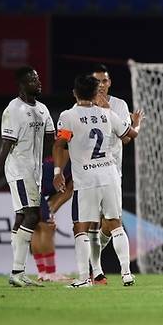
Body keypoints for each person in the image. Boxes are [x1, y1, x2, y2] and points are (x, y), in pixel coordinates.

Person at [53, 75, 143, 288]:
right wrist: (137, 124)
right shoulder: (107, 114)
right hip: (110, 175)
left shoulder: (68, 116)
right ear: (95, 94)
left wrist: (58, 172)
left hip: (85, 179)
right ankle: (127, 274)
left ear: (74, 93)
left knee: (81, 228)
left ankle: (85, 278)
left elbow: (60, 144)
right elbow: (131, 134)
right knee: (115, 223)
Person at [0, 66, 55, 287]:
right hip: (19, 169)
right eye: (32, 79)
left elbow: (52, 140)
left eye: (38, 78)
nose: (38, 82)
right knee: (32, 215)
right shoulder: (13, 110)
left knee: (22, 216)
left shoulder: (43, 109)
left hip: (35, 171)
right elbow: (5, 148)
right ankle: (17, 272)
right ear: (21, 84)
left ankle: (17, 274)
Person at [87, 64, 133, 285]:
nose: (101, 85)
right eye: (97, 82)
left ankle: (121, 272)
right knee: (93, 225)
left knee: (110, 223)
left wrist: (108, 110)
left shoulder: (119, 105)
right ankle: (95, 272)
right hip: (87, 175)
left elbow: (126, 137)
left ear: (110, 82)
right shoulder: (82, 107)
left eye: (104, 81)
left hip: (113, 172)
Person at [32, 156, 72, 282]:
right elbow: (68, 191)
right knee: (46, 228)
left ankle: (42, 273)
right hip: (35, 189)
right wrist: (51, 213)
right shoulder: (76, 164)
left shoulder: (60, 158)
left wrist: (50, 212)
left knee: (37, 228)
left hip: (29, 183)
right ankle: (50, 273)